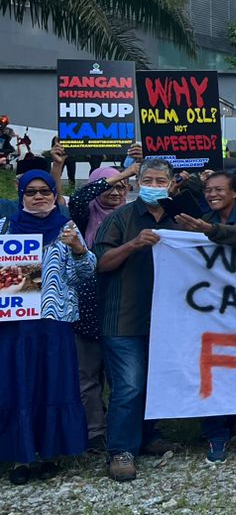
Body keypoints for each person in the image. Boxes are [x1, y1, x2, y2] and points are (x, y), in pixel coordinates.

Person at [173, 171, 236, 461]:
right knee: (214, 371)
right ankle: (217, 435)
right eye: (207, 189)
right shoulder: (203, 218)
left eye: (219, 189)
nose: (212, 194)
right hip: (214, 313)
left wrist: (208, 230)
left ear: (235, 193)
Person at [92, 157, 184, 482]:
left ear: (172, 185)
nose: (155, 186)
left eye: (161, 181)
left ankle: (146, 437)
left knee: (155, 383)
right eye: (150, 180)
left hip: (166, 323)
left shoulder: (179, 221)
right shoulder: (121, 218)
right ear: (137, 183)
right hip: (123, 320)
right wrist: (133, 244)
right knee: (128, 386)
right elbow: (101, 262)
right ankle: (120, 450)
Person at [0, 172, 94, 484]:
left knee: (53, 383)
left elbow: (86, 275)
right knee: (17, 384)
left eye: (45, 191)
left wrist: (80, 250)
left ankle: (51, 453)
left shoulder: (66, 229)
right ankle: (19, 458)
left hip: (54, 322)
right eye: (32, 192)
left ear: (55, 195)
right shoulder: (4, 227)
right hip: (15, 325)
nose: (39, 197)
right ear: (21, 195)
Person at [66, 144, 144, 450]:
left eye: (123, 187)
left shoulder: (133, 217)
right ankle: (95, 432)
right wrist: (124, 172)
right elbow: (82, 196)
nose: (116, 192)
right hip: (88, 304)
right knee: (88, 374)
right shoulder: (83, 216)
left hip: (122, 305)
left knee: (122, 377)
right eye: (110, 186)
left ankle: (121, 429)